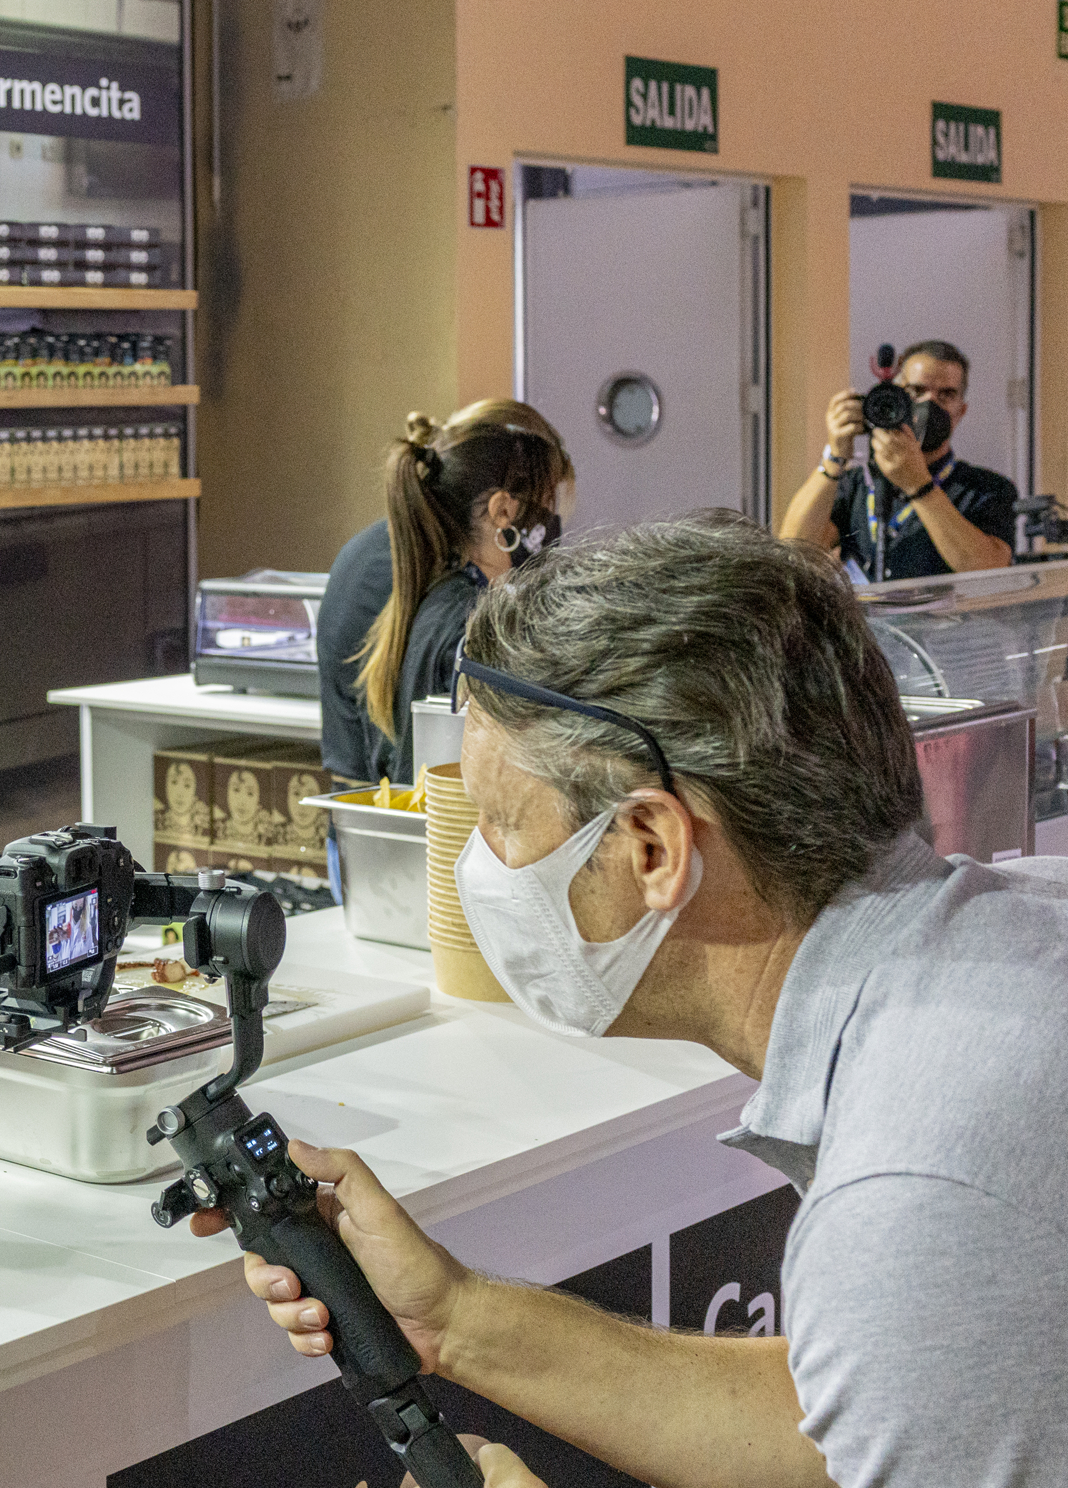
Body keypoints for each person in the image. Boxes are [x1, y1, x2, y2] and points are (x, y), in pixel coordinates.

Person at [205, 512, 1068, 1485]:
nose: (475, 864)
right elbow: (868, 1417)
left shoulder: (912, 1188)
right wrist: (451, 1317)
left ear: (650, 847)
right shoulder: (1013, 932)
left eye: (498, 822)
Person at [317, 401, 571, 786]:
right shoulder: (461, 619)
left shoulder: (433, 590)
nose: (551, 531)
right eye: (547, 507)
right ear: (503, 511)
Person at [779, 338, 1015, 579]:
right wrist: (834, 457)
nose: (929, 403)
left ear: (960, 411)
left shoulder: (987, 488)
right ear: (896, 398)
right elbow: (793, 553)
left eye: (946, 395)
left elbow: (990, 571)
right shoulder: (858, 483)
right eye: (916, 391)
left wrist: (919, 485)